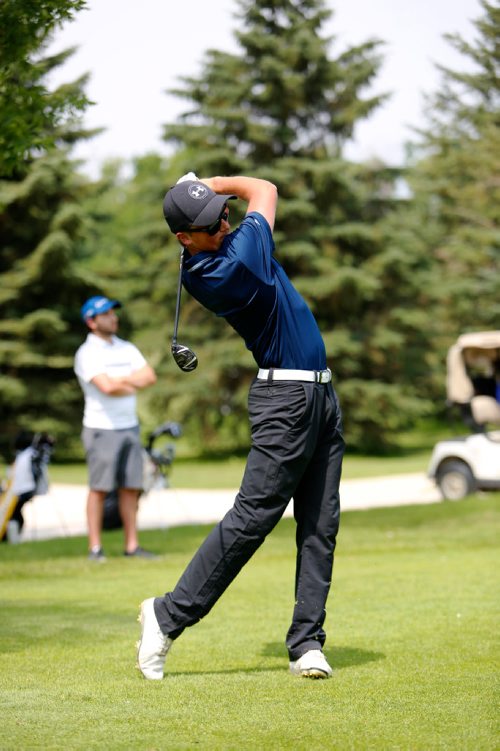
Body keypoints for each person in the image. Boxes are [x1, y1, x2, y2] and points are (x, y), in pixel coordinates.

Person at [137, 175, 344, 679]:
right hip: (285, 401)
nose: (224, 221)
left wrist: (206, 193)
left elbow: (247, 204)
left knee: (321, 524)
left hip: (320, 394)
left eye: (222, 212)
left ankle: (306, 643)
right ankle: (166, 615)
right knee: (252, 520)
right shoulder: (229, 263)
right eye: (212, 222)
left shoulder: (219, 245)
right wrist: (214, 182)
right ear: (186, 238)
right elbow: (266, 189)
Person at [74, 296, 157, 561]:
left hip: (129, 426)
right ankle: (95, 548)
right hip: (101, 429)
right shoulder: (87, 353)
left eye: (113, 313)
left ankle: (132, 546)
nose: (113, 317)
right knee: (99, 488)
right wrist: (132, 381)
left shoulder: (126, 348)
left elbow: (149, 377)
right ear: (91, 321)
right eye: (106, 314)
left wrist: (120, 380)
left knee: (131, 487)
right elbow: (106, 388)